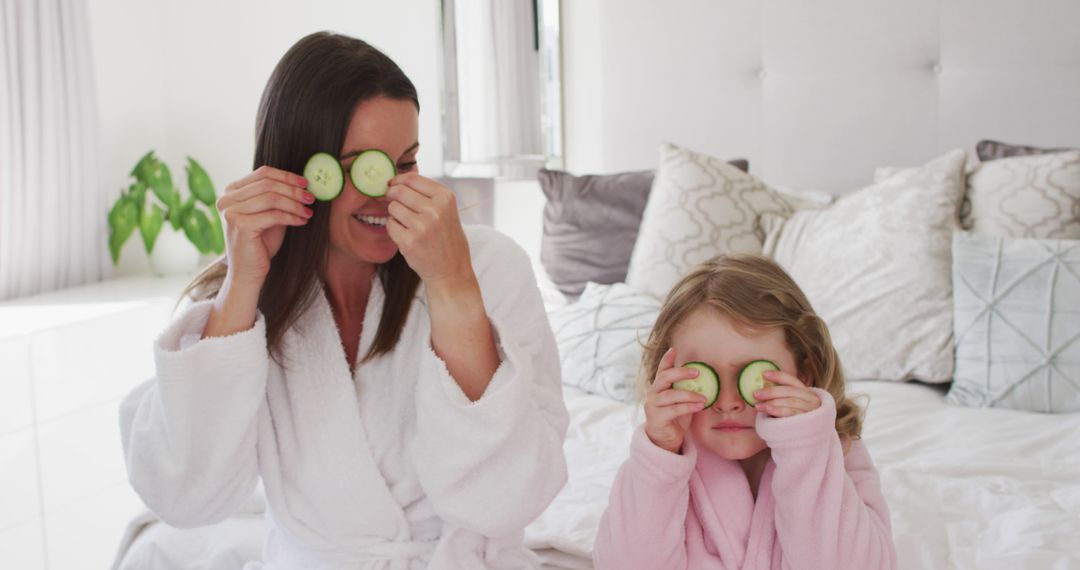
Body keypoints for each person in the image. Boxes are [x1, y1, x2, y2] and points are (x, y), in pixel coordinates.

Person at [119, 31, 568, 569]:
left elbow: (511, 497)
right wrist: (241, 284)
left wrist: (453, 287)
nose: (386, 190)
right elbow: (186, 497)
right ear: (297, 171)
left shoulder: (487, 266)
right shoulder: (248, 299)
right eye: (357, 164)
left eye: (405, 163)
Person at [593, 254, 896, 569]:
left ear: (804, 372)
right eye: (702, 375)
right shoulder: (660, 463)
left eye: (752, 375)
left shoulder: (839, 454)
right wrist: (659, 457)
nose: (727, 402)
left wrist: (806, 448)